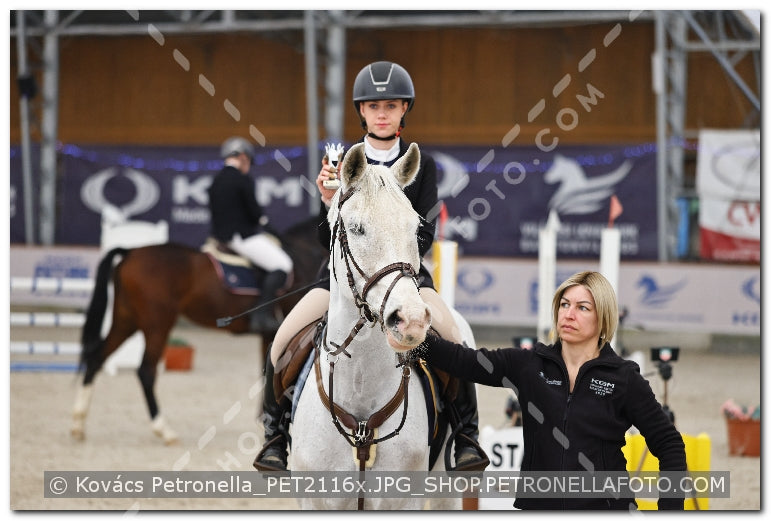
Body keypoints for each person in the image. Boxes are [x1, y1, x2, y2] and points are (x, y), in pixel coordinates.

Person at [253, 61, 487, 473]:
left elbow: (425, 232)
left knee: (455, 339)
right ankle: (275, 435)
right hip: (339, 281)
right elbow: (331, 234)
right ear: (361, 110)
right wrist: (329, 203)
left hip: (404, 278)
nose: (382, 113)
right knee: (281, 343)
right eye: (374, 105)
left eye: (391, 105)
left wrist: (391, 265)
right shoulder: (343, 163)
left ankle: (467, 435)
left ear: (403, 110)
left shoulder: (420, 165)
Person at [419, 271, 687, 510]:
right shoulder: (529, 365)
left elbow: (670, 445)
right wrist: (414, 336)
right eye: (564, 304)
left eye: (583, 308)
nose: (568, 314)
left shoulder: (623, 378)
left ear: (603, 319)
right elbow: (463, 361)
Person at [208, 136, 293, 332]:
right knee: (283, 265)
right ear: (243, 157)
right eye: (249, 162)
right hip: (240, 236)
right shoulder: (242, 180)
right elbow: (254, 213)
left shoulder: (217, 180)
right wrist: (268, 226)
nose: (249, 166)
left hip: (221, 237)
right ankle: (261, 315)